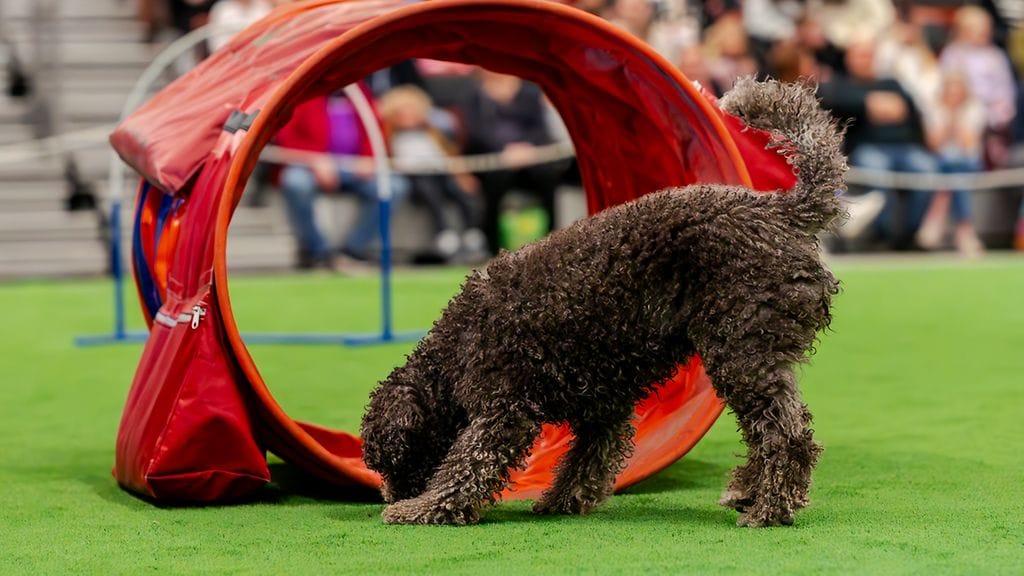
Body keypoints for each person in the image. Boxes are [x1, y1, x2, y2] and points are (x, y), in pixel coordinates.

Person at [818, 35, 937, 249]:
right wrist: (867, 102)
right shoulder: (840, 85)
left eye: (869, 55)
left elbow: (909, 111)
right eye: (860, 55)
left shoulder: (891, 83)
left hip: (906, 147)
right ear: (849, 59)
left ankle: (908, 236)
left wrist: (883, 108)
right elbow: (832, 101)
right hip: (867, 149)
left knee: (926, 169)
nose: (866, 60)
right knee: (878, 170)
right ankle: (882, 235)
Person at [274, 85, 408, 270]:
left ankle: (353, 249)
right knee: (295, 182)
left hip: (355, 167)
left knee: (394, 187)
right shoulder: (303, 93)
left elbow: (375, 129)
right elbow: (286, 135)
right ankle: (318, 252)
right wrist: (315, 160)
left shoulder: (360, 92)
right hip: (309, 165)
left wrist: (369, 158)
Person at [460, 70, 567, 255]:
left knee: (547, 179)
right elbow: (476, 133)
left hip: (531, 158)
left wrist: (526, 149)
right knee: (494, 185)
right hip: (493, 161)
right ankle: (492, 247)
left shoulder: (530, 93)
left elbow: (540, 129)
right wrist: (504, 150)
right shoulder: (474, 95)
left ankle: (551, 243)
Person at [377, 85, 487, 263]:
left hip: (440, 172)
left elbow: (449, 155)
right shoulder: (389, 136)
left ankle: (472, 235)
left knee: (462, 193)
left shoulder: (433, 132)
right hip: (416, 178)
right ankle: (445, 235)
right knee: (431, 193)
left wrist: (462, 176)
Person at [916, 71, 986, 257]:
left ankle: (935, 219)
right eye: (950, 91)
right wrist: (948, 117)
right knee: (952, 171)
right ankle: (965, 231)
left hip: (969, 162)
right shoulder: (933, 110)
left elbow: (968, 145)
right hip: (941, 162)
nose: (953, 96)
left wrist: (957, 117)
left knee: (955, 169)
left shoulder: (975, 109)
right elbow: (935, 145)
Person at [206, 0, 274, 52]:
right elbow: (217, 43)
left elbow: (271, 35)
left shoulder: (264, 6)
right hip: (230, 59)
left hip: (260, 55)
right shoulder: (221, 10)